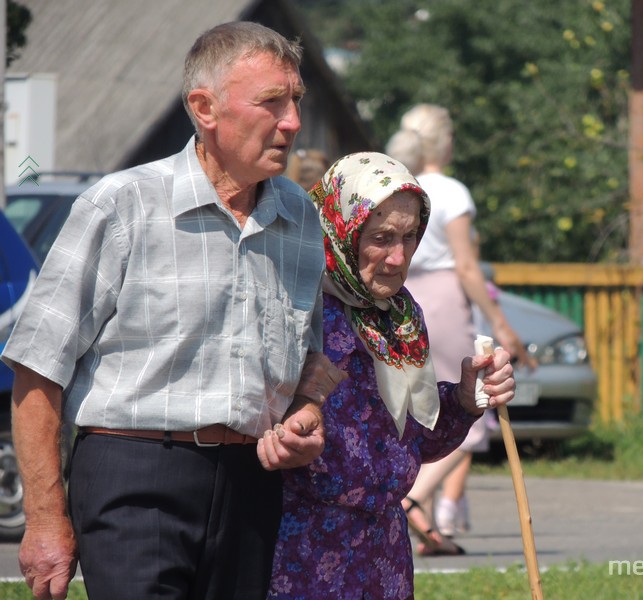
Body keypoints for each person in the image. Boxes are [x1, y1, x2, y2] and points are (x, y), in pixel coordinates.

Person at [1, 22, 346, 600]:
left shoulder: (302, 218)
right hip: (135, 476)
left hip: (251, 485)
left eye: (296, 101)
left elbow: (310, 356)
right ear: (204, 108)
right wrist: (43, 520)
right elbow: (38, 368)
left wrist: (307, 415)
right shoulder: (122, 205)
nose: (291, 122)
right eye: (271, 102)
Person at [267, 152, 516, 599]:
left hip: (385, 553)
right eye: (381, 237)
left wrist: (462, 398)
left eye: (409, 236)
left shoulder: (399, 315)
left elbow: (415, 439)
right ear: (341, 230)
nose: (397, 257)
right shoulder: (293, 307)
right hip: (302, 549)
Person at [393, 103, 533, 553]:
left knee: (422, 409)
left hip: (405, 301)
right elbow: (468, 267)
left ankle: (428, 530)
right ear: (445, 142)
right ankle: (414, 498)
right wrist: (500, 324)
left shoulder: (403, 185)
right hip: (446, 301)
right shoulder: (452, 192)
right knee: (470, 406)